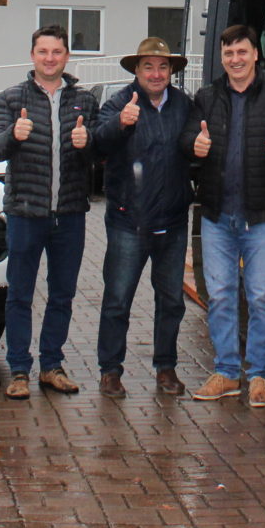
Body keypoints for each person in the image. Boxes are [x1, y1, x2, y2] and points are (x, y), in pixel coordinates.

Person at [182, 23, 265, 408]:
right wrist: (196, 144)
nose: (235, 60)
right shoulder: (206, 98)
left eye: (242, 52)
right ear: (221, 58)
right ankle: (226, 372)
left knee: (260, 297)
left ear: (255, 54)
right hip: (217, 214)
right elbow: (184, 140)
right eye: (228, 54)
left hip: (263, 217)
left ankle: (259, 376)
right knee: (221, 296)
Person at [0, 24, 96, 400]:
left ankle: (52, 365)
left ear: (67, 56)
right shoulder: (11, 98)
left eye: (57, 52)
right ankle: (19, 369)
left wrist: (88, 142)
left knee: (62, 293)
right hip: (25, 213)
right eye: (43, 51)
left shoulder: (83, 100)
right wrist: (13, 135)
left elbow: (100, 155)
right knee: (20, 293)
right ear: (32, 55)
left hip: (69, 214)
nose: (50, 58)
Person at [90, 37, 196, 398]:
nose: (156, 73)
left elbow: (195, 148)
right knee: (118, 299)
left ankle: (166, 368)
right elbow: (96, 142)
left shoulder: (184, 105)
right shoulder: (120, 103)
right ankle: (110, 370)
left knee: (171, 301)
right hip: (128, 221)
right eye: (148, 66)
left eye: (163, 66)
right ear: (136, 70)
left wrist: (202, 148)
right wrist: (120, 123)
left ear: (171, 72)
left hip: (173, 221)